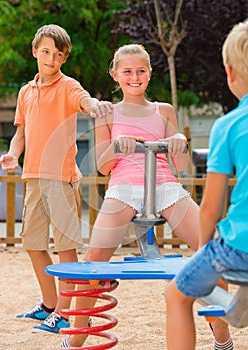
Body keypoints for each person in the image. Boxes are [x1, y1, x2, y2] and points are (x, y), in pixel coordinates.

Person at [59, 43, 232, 349]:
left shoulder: (163, 110)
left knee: (211, 248)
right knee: (95, 258)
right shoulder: (108, 113)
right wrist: (117, 144)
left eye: (141, 71)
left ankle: (222, 337)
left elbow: (178, 165)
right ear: (116, 75)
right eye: (127, 71)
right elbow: (102, 165)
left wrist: (179, 142)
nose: (134, 77)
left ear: (150, 74)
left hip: (164, 184)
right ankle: (76, 338)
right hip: (124, 186)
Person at [0, 24, 112, 335]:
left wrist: (95, 106)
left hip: (62, 179)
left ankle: (64, 313)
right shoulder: (26, 91)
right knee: (33, 245)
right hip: (33, 176)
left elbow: (85, 100)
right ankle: (49, 305)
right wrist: (13, 154)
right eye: (46, 51)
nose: (51, 58)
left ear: (64, 58)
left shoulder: (68, 86)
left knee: (65, 248)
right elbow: (20, 133)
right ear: (35, 51)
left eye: (58, 54)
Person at [165, 19, 248, 350]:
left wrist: (202, 249)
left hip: (238, 248)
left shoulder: (228, 126)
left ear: (229, 72)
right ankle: (236, 305)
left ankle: (233, 306)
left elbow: (211, 207)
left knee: (177, 294)